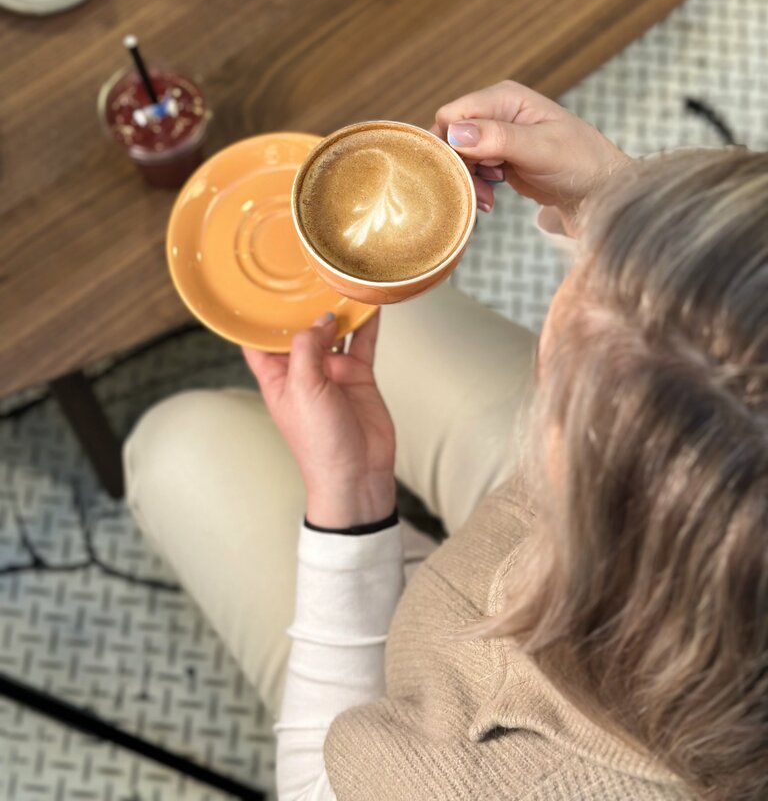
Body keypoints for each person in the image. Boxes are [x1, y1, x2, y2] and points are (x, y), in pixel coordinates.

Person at [124, 81, 768, 801]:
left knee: (175, 442)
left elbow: (315, 784)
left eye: (552, 374)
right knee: (393, 316)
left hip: (456, 659)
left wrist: (352, 505)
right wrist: (619, 203)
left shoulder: (464, 781)